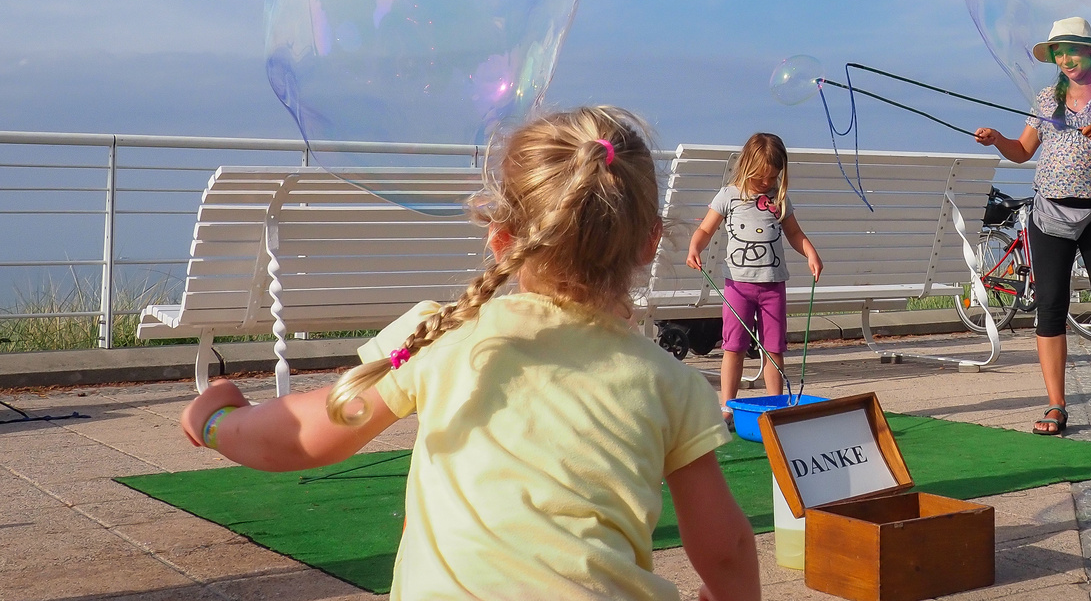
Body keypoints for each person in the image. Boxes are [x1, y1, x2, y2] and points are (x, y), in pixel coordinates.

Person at [178, 107, 760, 601]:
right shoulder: (670, 382)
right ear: (650, 243)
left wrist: (218, 420)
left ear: (500, 235)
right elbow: (726, 548)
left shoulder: (443, 334)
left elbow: (307, 432)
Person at [973, 17, 1091, 433]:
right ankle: (1056, 404)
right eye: (1059, 51)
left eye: (1074, 49)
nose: (1066, 58)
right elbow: (1022, 152)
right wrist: (998, 139)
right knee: (1049, 308)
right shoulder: (1045, 99)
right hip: (1048, 212)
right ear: (1053, 56)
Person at [687, 132, 823, 425]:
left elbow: (794, 234)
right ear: (746, 167)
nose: (765, 184)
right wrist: (694, 247)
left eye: (772, 178)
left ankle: (776, 408)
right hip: (738, 286)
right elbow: (706, 229)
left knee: (774, 348)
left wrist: (810, 253)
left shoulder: (779, 199)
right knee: (733, 346)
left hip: (773, 285)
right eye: (760, 178)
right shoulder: (728, 195)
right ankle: (728, 407)